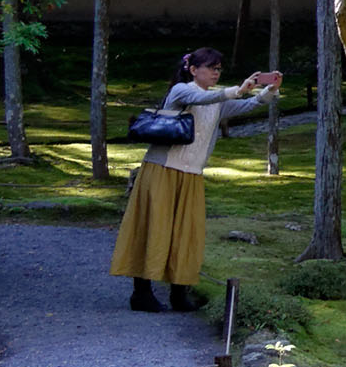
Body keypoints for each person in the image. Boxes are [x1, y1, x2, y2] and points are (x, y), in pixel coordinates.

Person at [110, 47, 281, 312]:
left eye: (219, 68)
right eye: (211, 67)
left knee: (185, 235)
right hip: (162, 170)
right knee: (154, 229)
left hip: (191, 175)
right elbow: (199, 99)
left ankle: (179, 295)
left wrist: (268, 90)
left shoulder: (217, 100)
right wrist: (237, 89)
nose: (216, 72)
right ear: (193, 70)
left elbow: (250, 104)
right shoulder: (182, 91)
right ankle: (141, 294)